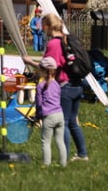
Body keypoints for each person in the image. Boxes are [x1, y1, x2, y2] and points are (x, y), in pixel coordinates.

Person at [22, 13, 88, 161]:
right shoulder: (67, 40)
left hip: (65, 86)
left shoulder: (53, 44)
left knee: (64, 123)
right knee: (73, 121)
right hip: (77, 84)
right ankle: (82, 154)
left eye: (42, 26)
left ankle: (64, 159)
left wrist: (29, 62)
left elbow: (48, 67)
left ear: (47, 27)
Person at [35, 56, 67, 167]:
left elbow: (39, 104)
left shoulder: (40, 86)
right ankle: (63, 164)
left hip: (49, 117)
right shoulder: (58, 85)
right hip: (60, 115)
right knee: (60, 141)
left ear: (42, 71)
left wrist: (38, 116)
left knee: (46, 142)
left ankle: (46, 164)